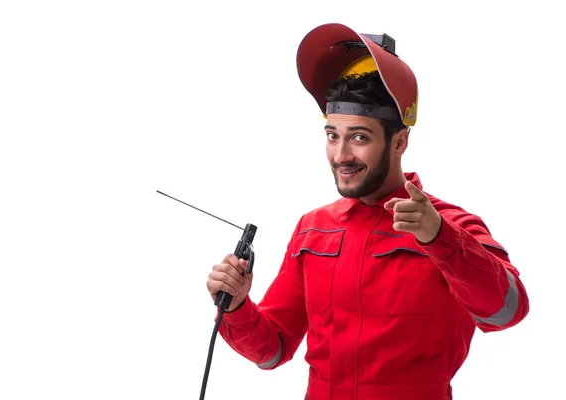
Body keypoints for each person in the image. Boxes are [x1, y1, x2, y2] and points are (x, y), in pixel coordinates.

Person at [205, 23, 529, 400]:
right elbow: (272, 348)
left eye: (359, 137)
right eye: (332, 136)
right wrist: (239, 304)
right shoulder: (313, 230)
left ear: (399, 141)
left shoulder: (452, 225)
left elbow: (508, 311)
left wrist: (439, 237)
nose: (341, 156)